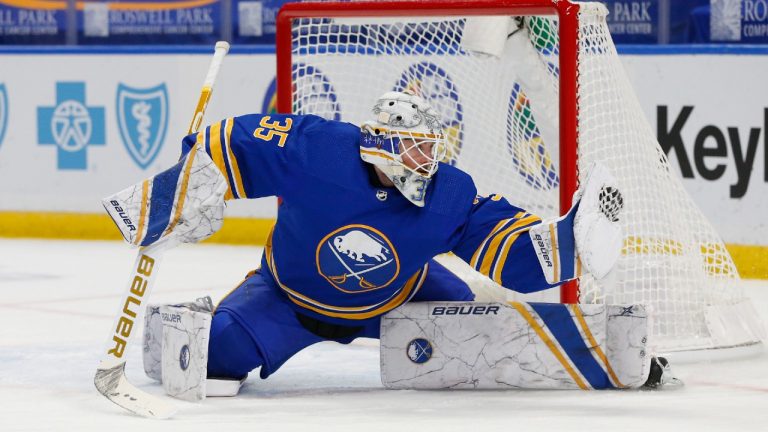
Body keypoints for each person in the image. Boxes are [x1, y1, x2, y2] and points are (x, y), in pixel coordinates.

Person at [105, 90, 675, 396]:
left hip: (402, 297)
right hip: (288, 299)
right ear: (380, 143)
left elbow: (504, 245)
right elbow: (230, 142)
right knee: (218, 356)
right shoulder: (317, 151)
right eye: (416, 149)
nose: (428, 163)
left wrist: (569, 240)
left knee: (483, 328)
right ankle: (187, 325)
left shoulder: (447, 194)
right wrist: (179, 189)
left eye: (433, 149)